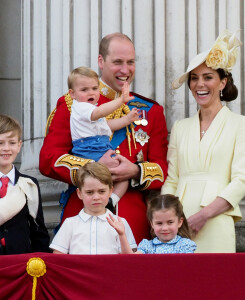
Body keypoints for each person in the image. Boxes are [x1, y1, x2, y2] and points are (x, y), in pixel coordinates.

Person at [39, 32, 168, 244]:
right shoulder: (73, 104)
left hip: (133, 225)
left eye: (130, 62)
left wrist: (136, 171)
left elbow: (162, 169)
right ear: (101, 61)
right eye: (117, 62)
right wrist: (93, 166)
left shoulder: (150, 111)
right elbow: (48, 159)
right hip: (83, 219)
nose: (125, 70)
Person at [161, 29, 245, 253]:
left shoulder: (241, 124)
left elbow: (240, 181)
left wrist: (204, 215)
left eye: (208, 77)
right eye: (194, 78)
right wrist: (164, 218)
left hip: (216, 220)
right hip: (178, 224)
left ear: (223, 82)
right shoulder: (180, 127)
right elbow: (172, 180)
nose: (199, 84)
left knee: (216, 284)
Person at [69, 66, 140, 206]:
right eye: (84, 90)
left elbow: (107, 126)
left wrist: (127, 119)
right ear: (72, 94)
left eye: (95, 88)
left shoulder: (91, 108)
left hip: (100, 145)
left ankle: (111, 201)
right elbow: (99, 113)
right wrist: (121, 101)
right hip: (89, 148)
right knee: (103, 176)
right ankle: (102, 200)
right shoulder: (81, 107)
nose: (91, 93)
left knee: (122, 175)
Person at [50, 162, 136, 254]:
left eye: (102, 191)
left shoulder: (120, 223)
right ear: (79, 193)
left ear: (111, 191)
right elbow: (58, 255)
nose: (96, 197)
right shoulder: (70, 224)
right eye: (90, 192)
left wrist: (121, 234)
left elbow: (129, 259)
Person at [0, 114, 49, 254]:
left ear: (19, 145)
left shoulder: (29, 184)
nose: (6, 148)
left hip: (20, 262)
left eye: (12, 143)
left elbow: (38, 230)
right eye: (0, 143)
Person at [108, 194, 197, 254]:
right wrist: (122, 235)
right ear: (152, 224)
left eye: (170, 222)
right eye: (159, 223)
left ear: (179, 222)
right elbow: (131, 260)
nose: (165, 228)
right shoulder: (147, 246)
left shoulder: (185, 245)